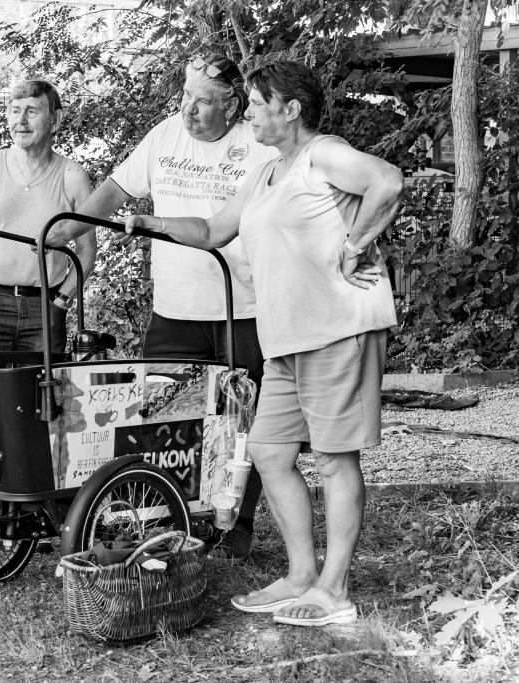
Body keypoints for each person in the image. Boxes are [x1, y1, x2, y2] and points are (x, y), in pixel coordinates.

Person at [120, 60, 403, 627]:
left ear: (290, 109)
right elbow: (210, 231)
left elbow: (388, 181)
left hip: (336, 329)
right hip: (285, 339)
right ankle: (300, 576)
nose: (246, 113)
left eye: (254, 103)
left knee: (332, 457)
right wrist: (145, 223)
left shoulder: (323, 153)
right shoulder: (269, 172)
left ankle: (334, 590)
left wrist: (355, 245)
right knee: (270, 454)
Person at [50, 54, 279, 562]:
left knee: (244, 422)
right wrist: (65, 227)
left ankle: (237, 523)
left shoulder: (257, 146)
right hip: (174, 310)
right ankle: (173, 518)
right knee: (161, 420)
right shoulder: (163, 136)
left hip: (245, 309)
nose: (187, 110)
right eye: (185, 96)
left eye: (201, 101)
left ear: (233, 105)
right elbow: (114, 191)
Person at [0, 79, 96, 354]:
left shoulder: (73, 177)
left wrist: (61, 300)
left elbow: (87, 250)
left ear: (55, 120)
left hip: (44, 308)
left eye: (32, 111)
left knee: (42, 395)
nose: (20, 121)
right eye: (14, 110)